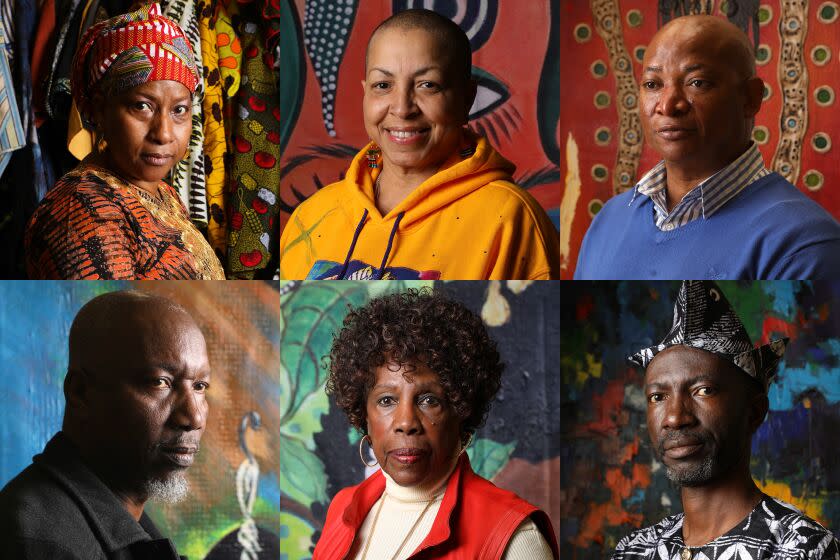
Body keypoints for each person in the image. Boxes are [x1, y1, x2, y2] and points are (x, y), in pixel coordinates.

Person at [279, 9, 559, 280]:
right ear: (365, 94)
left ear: (467, 98)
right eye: (383, 85)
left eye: (427, 85)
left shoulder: (510, 218)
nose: (402, 108)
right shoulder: (312, 215)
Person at [574, 15, 840, 279]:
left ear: (750, 98)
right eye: (653, 84)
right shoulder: (609, 220)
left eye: (697, 83)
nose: (667, 105)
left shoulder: (803, 244)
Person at [314, 289, 559, 559]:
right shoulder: (343, 508)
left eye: (429, 400)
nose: (406, 422)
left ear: (462, 409)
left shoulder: (515, 538)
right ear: (364, 415)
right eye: (386, 400)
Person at [612, 280, 840, 559]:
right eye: (658, 397)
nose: (674, 417)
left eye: (703, 391)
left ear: (754, 412)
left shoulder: (801, 549)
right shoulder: (634, 550)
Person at [0, 290, 211, 559]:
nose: (193, 418)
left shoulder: (127, 522)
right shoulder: (39, 541)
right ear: (81, 393)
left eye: (200, 386)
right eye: (160, 382)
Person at [25, 3, 225, 279]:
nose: (164, 133)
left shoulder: (164, 195)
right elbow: (110, 320)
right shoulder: (85, 211)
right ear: (98, 110)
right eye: (142, 106)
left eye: (179, 110)